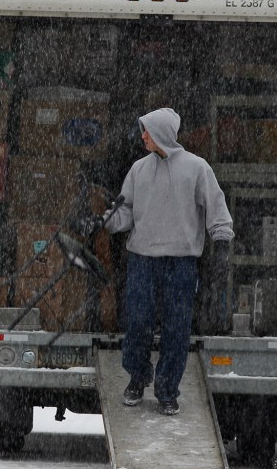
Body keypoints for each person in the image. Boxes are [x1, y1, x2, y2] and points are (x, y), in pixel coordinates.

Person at [96, 108, 234, 416]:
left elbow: (217, 208)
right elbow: (126, 211)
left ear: (161, 133)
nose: (143, 136)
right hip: (142, 260)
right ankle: (137, 378)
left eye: (147, 131)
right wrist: (103, 221)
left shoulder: (196, 168)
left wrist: (222, 243)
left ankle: (167, 391)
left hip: (181, 263)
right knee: (137, 323)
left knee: (176, 329)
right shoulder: (139, 170)